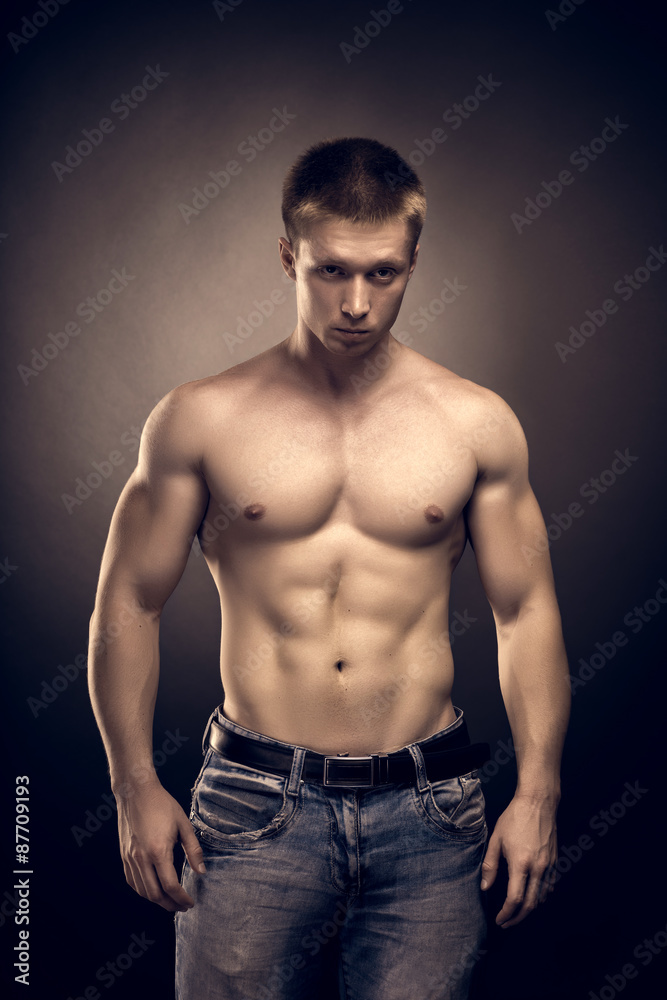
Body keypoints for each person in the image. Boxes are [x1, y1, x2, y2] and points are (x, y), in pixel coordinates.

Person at [88, 137, 570, 999]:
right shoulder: (199, 420)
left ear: (413, 261)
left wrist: (537, 792)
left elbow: (524, 611)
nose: (355, 303)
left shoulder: (475, 424)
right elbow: (128, 601)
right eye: (330, 272)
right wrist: (132, 785)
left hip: (432, 809)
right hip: (252, 806)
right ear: (288, 257)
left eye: (382, 274)